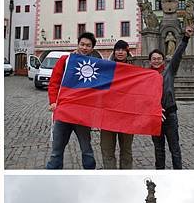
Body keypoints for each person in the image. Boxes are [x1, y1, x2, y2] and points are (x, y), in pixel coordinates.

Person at [46, 32, 98, 169]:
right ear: (78, 44)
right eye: (82, 44)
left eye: (88, 45)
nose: (84, 48)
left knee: (87, 151)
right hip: (64, 113)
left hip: (83, 115)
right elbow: (54, 82)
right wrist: (53, 101)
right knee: (56, 153)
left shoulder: (95, 65)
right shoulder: (65, 60)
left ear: (92, 48)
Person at [148, 26, 193, 169]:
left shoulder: (169, 71)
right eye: (154, 59)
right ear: (150, 61)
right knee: (159, 149)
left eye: (159, 58)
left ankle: (177, 172)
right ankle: (160, 171)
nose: (156, 61)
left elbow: (177, 55)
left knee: (175, 148)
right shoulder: (145, 76)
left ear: (163, 60)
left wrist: (185, 38)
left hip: (170, 113)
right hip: (154, 116)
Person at [100, 40, 134, 169]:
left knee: (126, 151)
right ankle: (111, 174)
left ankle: (125, 175)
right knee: (107, 150)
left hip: (127, 117)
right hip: (108, 116)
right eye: (118, 49)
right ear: (114, 51)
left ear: (127, 52)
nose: (120, 52)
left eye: (123, 50)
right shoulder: (106, 68)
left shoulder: (134, 69)